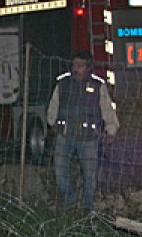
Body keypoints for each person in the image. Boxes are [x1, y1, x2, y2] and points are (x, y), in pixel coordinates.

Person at [47, 51, 119, 211]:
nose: (76, 68)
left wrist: (111, 129)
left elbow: (107, 109)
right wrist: (51, 123)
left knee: (90, 176)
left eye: (80, 65)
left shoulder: (98, 85)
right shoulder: (62, 83)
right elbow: (54, 105)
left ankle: (88, 207)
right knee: (60, 171)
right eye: (74, 64)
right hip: (64, 134)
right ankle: (70, 201)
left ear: (88, 68)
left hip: (88, 137)